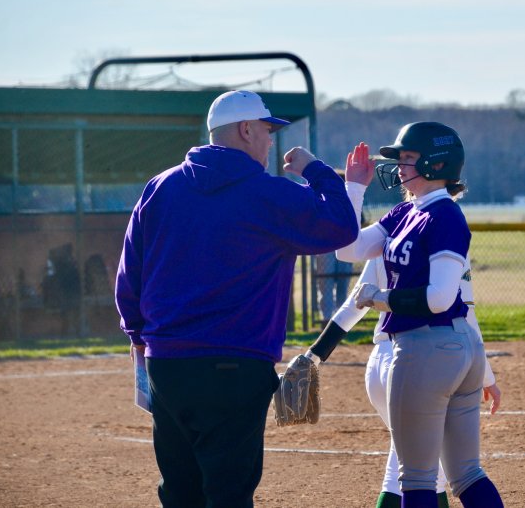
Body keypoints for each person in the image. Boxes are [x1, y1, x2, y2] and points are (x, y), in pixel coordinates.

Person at [114, 89, 358, 507]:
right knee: (229, 492)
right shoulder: (266, 193)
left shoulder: (160, 187)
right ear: (245, 130)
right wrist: (316, 170)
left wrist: (138, 337)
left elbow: (129, 273)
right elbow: (341, 226)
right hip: (235, 366)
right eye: (266, 131)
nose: (269, 142)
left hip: (165, 365)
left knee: (179, 492)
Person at [334, 123, 505, 507]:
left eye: (408, 159)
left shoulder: (444, 215)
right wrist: (354, 188)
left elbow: (441, 297)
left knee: (417, 480)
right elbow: (348, 249)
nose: (400, 167)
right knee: (466, 475)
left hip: (425, 347)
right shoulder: (406, 211)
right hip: (457, 349)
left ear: (434, 163)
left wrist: (381, 298)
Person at [305, 254, 502, 508]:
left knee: (406, 471)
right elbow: (466, 315)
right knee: (429, 475)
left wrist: (314, 355)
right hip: (419, 361)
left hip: (379, 365)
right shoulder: (447, 236)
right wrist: (486, 376)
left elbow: (355, 304)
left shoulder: (389, 233)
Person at [315, 169, 354, 321]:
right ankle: (326, 320)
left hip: (345, 245)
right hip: (327, 246)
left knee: (343, 285)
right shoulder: (323, 197)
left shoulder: (349, 199)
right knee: (326, 283)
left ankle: (341, 320)